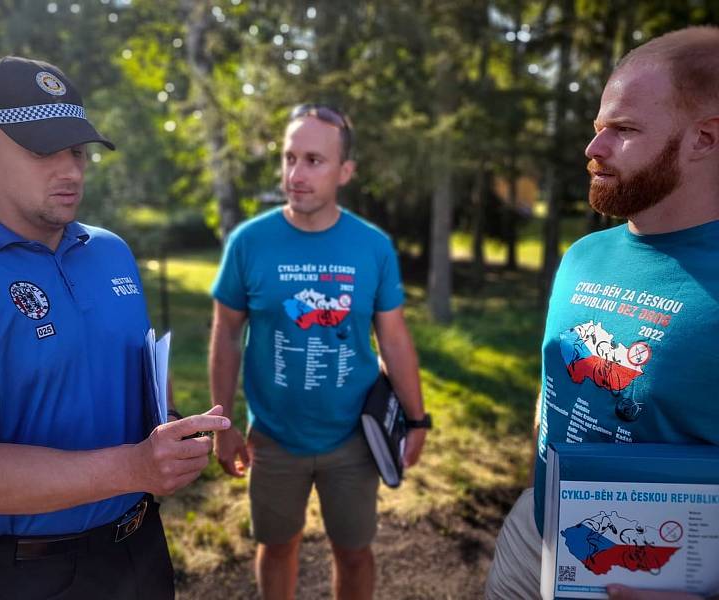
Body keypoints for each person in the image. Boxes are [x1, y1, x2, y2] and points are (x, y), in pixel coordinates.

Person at [0, 56, 230, 600]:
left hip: (140, 546)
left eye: (79, 151)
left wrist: (171, 433)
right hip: (26, 575)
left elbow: (135, 371)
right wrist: (135, 467)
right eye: (44, 150)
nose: (71, 170)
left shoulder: (110, 251)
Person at [485, 26, 719, 600]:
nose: (593, 149)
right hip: (534, 535)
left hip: (658, 578)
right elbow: (553, 384)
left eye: (624, 129)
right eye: (598, 128)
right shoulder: (583, 256)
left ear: (705, 139)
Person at [209, 104, 430, 599]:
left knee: (353, 552)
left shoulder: (370, 246)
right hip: (272, 439)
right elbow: (225, 333)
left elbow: (394, 337)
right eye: (289, 158)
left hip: (352, 437)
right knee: (278, 545)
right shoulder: (249, 242)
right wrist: (221, 427)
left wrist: (417, 420)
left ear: (345, 171)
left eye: (313, 160)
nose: (295, 174)